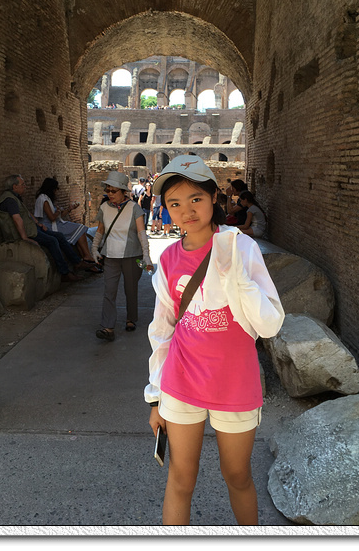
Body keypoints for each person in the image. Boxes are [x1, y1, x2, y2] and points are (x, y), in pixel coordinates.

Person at [144, 155, 284, 525]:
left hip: (234, 382)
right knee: (180, 478)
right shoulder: (169, 258)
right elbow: (162, 330)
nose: (187, 211)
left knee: (237, 476)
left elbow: (270, 324)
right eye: (175, 203)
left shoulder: (241, 248)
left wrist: (237, 275)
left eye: (195, 199)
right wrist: (155, 396)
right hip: (182, 380)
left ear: (213, 198)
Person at [91, 171, 153, 342]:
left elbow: (141, 233)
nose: (110, 194)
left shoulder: (134, 208)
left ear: (123, 191)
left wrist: (146, 256)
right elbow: (100, 230)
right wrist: (94, 248)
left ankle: (131, 318)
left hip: (132, 255)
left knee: (130, 289)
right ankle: (107, 327)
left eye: (113, 191)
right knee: (109, 291)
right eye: (107, 190)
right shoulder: (104, 208)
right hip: (111, 255)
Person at [0, 175, 90, 282]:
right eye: (22, 184)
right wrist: (25, 238)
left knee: (59, 236)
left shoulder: (15, 197)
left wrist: (38, 223)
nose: (25, 186)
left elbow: (27, 213)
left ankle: (77, 262)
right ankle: (65, 273)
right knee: (52, 241)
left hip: (32, 228)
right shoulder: (9, 200)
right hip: (26, 232)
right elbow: (17, 219)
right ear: (14, 186)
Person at [34, 177, 101, 272]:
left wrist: (70, 209)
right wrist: (58, 211)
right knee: (80, 228)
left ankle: (86, 259)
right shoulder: (44, 200)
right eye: (55, 189)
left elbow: (59, 216)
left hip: (56, 223)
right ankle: (87, 256)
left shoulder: (47, 199)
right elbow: (52, 217)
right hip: (50, 227)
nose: (56, 192)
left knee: (79, 232)